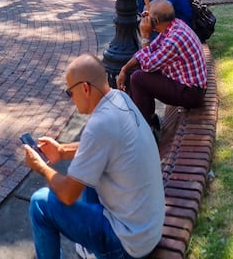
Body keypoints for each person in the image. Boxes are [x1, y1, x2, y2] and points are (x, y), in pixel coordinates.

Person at [24, 53, 164, 259]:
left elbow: (67, 194)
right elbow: (99, 147)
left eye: (69, 93)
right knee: (88, 171)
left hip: (126, 246)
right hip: (148, 229)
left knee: (40, 203)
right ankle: (90, 249)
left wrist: (41, 167)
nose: (70, 98)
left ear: (85, 89)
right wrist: (62, 151)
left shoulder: (98, 126)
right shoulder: (120, 98)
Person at [117, 0, 208, 133]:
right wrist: (124, 69)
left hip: (191, 93)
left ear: (156, 21)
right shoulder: (174, 26)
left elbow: (147, 65)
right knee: (136, 71)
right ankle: (147, 119)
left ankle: (144, 129)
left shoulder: (174, 39)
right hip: (185, 84)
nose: (145, 18)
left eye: (148, 15)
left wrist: (145, 35)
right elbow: (150, 51)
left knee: (138, 78)